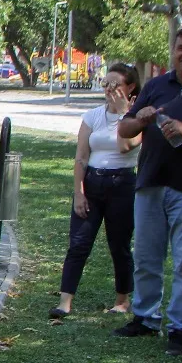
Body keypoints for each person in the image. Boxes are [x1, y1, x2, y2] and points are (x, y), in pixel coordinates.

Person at [115, 25, 182, 355]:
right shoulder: (156, 85)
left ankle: (181, 328)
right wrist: (142, 119)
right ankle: (146, 318)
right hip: (150, 182)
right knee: (147, 257)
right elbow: (125, 127)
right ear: (174, 50)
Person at [55, 64, 141, 319]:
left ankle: (122, 300)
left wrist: (125, 112)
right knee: (79, 243)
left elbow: (125, 146)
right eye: (106, 84)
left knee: (119, 244)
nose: (109, 90)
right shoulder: (92, 116)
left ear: (130, 88)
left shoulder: (137, 120)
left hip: (123, 183)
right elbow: (81, 156)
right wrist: (79, 192)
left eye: (115, 85)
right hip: (93, 182)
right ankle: (64, 301)